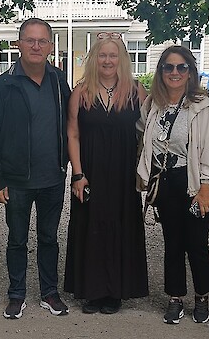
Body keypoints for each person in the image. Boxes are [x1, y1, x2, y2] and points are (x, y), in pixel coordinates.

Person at [0, 18, 71, 319]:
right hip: (16, 180)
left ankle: (49, 292)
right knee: (17, 239)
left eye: (42, 41)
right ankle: (16, 294)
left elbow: (71, 127)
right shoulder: (2, 86)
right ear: (18, 44)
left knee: (49, 238)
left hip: (52, 177)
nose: (36, 46)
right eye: (30, 40)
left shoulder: (59, 82)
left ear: (50, 46)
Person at [63, 33, 148, 314]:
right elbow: (73, 134)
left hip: (124, 174)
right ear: (94, 59)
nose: (107, 60)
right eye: (102, 55)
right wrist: (77, 174)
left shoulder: (136, 92)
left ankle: (115, 292)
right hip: (91, 172)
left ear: (121, 59)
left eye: (113, 55)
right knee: (91, 227)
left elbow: (149, 132)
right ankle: (92, 291)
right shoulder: (81, 91)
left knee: (120, 225)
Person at [137, 45, 209, 324]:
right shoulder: (153, 105)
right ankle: (175, 298)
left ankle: (202, 297)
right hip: (166, 182)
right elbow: (141, 133)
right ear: (161, 72)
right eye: (168, 67)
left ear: (190, 72)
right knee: (172, 243)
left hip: (196, 182)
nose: (175, 73)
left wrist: (206, 187)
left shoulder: (202, 105)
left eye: (181, 67)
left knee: (195, 244)